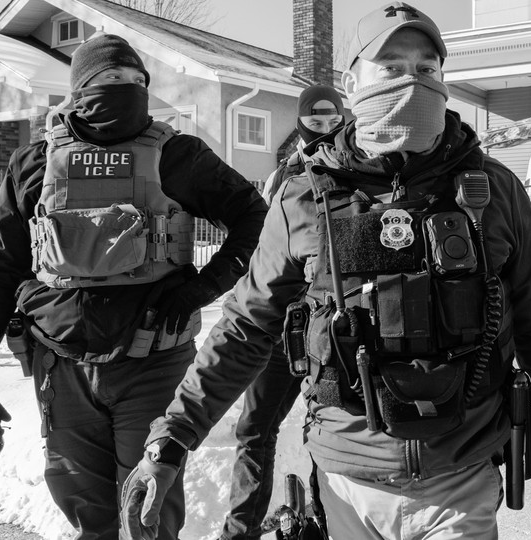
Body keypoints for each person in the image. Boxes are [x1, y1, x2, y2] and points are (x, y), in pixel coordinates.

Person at [120, 2, 531, 539]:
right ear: (352, 84)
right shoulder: (303, 196)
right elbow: (246, 326)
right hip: (347, 482)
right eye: (391, 68)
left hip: (462, 478)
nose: (412, 82)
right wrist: (173, 436)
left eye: (427, 69)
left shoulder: (494, 190)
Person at [0, 33, 267, 540]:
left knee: (148, 513)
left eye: (134, 80)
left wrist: (198, 291)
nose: (123, 88)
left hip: (153, 363)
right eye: (107, 79)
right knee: (88, 516)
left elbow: (256, 219)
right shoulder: (32, 164)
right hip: (59, 364)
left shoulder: (179, 155)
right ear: (79, 91)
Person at [220, 84, 344, 540]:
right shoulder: (282, 179)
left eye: (333, 119)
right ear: (300, 120)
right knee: (254, 430)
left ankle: (330, 522)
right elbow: (263, 255)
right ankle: (240, 530)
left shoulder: (360, 172)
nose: (325, 128)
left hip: (329, 334)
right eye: (315, 119)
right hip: (277, 330)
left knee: (331, 432)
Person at [260, 85, 345, 204]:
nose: (327, 130)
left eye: (334, 122)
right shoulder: (279, 178)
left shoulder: (360, 162)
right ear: (299, 124)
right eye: (316, 124)